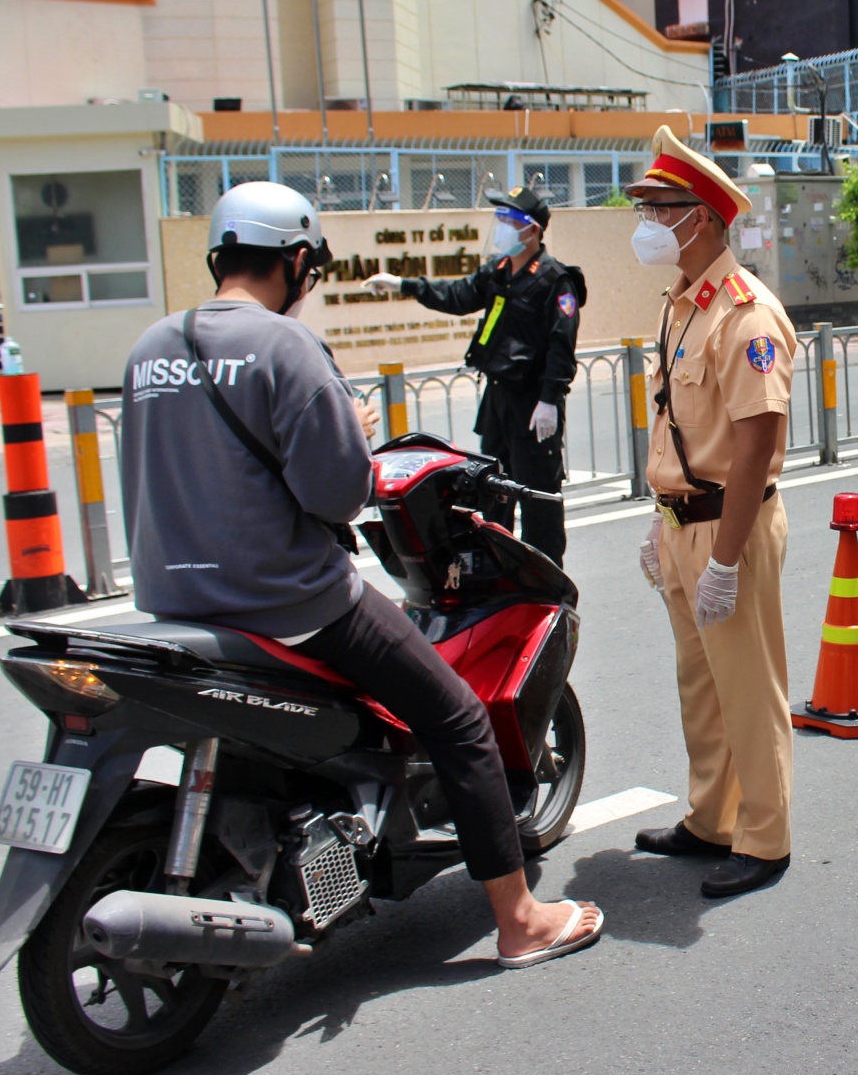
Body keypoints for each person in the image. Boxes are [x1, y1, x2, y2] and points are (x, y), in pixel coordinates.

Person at [120, 181, 600, 969]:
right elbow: (340, 492)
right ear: (299, 260)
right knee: (457, 720)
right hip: (288, 600)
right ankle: (519, 920)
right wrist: (352, 429)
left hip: (172, 602)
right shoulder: (286, 347)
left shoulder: (150, 348)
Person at [625, 127, 797, 898]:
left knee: (747, 686)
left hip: (732, 527)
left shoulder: (744, 316)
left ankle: (765, 837)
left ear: (707, 219)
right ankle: (711, 819)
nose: (648, 223)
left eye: (662, 209)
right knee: (701, 684)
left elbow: (757, 445)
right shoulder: (681, 307)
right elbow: (677, 425)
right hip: (682, 525)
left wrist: (724, 559)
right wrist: (659, 517)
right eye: (646, 208)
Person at [364, 185, 582, 566]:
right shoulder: (499, 272)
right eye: (498, 219)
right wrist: (404, 285)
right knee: (492, 490)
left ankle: (546, 577)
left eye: (508, 221)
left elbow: (561, 345)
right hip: (497, 398)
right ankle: (499, 569)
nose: (499, 227)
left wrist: (550, 399)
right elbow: (458, 296)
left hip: (532, 404)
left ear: (531, 230)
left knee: (536, 495)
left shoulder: (555, 280)